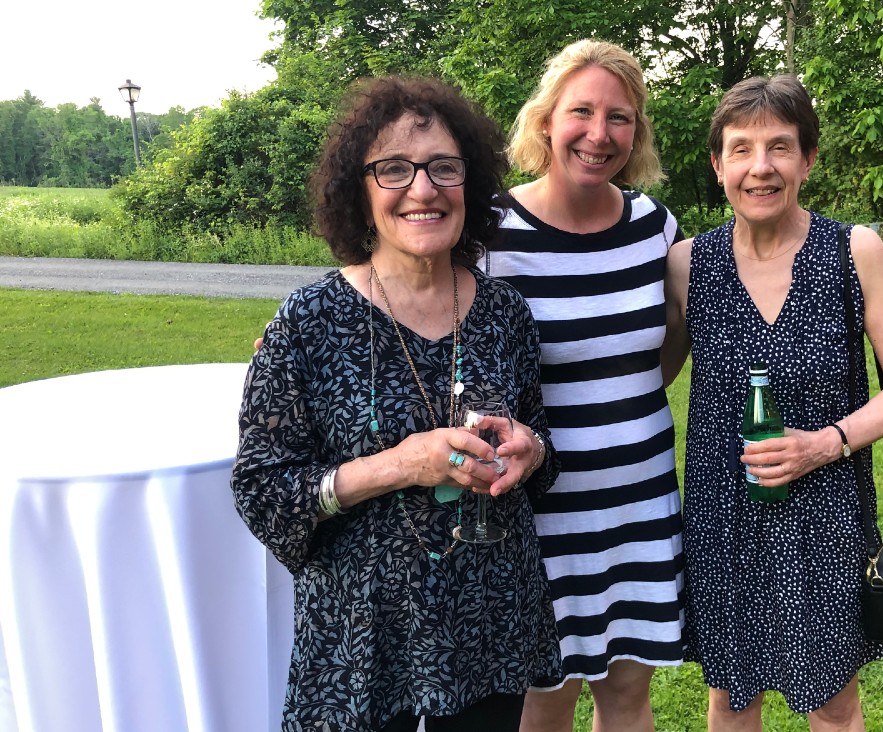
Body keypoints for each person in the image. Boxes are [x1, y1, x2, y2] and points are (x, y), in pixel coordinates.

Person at [231, 76, 562, 732]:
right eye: (394, 169)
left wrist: (533, 449)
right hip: (362, 639)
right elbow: (263, 492)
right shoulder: (311, 321)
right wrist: (401, 465)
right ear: (358, 189)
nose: (423, 189)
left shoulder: (505, 314)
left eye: (444, 167)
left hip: (487, 631)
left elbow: (539, 453)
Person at [661, 76, 883, 731]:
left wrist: (824, 443)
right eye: (742, 149)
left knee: (833, 702)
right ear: (718, 165)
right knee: (731, 698)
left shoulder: (853, 251)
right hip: (723, 518)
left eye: (780, 147)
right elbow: (645, 377)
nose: (761, 167)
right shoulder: (687, 265)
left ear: (808, 159)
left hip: (826, 516)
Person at [485, 40, 686, 732]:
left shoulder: (654, 228)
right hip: (540, 513)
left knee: (628, 698)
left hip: (639, 503)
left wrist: (617, 414)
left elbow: (665, 345)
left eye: (620, 118)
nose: (600, 135)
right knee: (544, 702)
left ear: (637, 133)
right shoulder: (490, 234)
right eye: (582, 112)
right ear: (545, 121)